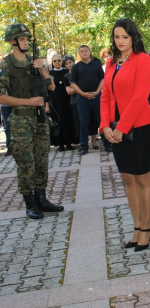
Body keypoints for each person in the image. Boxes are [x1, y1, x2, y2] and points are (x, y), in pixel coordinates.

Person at [100, 18, 150, 252]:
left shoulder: (143, 60)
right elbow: (105, 96)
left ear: (133, 36)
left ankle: (147, 228)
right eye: (116, 37)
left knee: (143, 179)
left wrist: (121, 128)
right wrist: (105, 126)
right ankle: (137, 226)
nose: (120, 41)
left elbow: (140, 97)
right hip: (115, 129)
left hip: (140, 128)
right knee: (129, 180)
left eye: (125, 36)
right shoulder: (112, 62)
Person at [0, 23, 64, 219]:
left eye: (27, 39)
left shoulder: (34, 62)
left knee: (41, 161)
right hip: (20, 120)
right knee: (26, 162)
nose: (26, 42)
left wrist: (43, 70)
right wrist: (27, 101)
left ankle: (42, 199)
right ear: (12, 42)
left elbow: (52, 87)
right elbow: (1, 96)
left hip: (39, 120)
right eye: (21, 39)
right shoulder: (6, 64)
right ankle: (30, 202)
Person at [70, 45, 112, 154]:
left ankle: (107, 144)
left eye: (86, 50)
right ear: (79, 54)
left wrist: (97, 91)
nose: (84, 53)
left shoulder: (96, 64)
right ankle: (84, 146)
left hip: (97, 96)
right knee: (84, 122)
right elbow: (73, 83)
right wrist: (83, 94)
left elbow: (102, 79)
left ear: (90, 52)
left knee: (101, 121)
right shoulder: (76, 67)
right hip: (82, 98)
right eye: (82, 51)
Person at [48, 52, 76, 151]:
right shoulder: (50, 73)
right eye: (55, 61)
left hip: (66, 99)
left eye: (59, 60)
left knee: (68, 120)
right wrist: (47, 104)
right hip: (55, 100)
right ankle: (60, 144)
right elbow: (47, 90)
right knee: (58, 121)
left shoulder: (66, 72)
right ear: (52, 62)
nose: (57, 62)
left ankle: (69, 143)